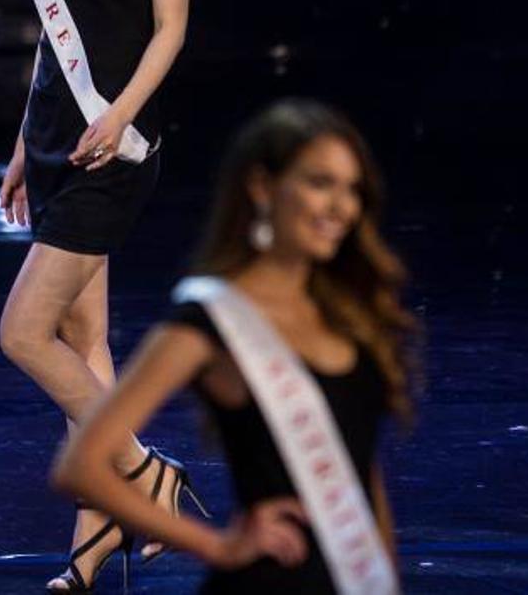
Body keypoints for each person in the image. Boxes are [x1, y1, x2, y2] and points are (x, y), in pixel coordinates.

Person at [53, 99, 420, 593]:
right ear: (263, 188)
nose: (341, 206)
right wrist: (218, 546)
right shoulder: (212, 319)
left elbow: (362, 476)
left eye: (351, 189)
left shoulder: (346, 312)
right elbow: (82, 466)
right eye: (318, 183)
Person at [0, 0, 200, 591]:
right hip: (50, 141)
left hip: (111, 145)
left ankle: (145, 474)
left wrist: (118, 116)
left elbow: (170, 30)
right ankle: (88, 555)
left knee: (22, 333)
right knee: (85, 341)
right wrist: (17, 149)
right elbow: (50, 40)